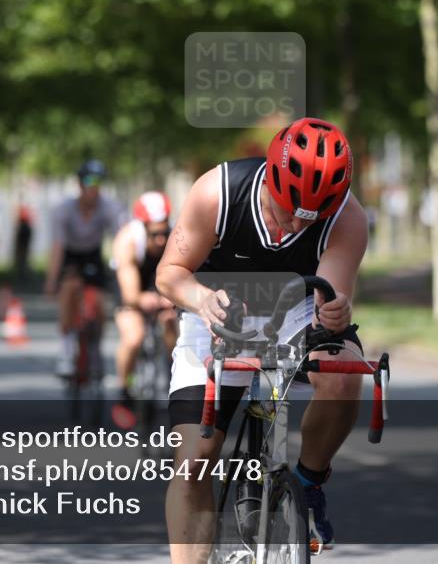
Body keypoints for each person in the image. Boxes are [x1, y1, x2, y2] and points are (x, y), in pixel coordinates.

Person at [155, 118, 368, 561]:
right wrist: (202, 299)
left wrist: (335, 312)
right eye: (288, 210)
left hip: (295, 308)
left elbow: (328, 296)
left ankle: (308, 485)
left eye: (311, 216)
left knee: (343, 375)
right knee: (194, 459)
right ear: (270, 177)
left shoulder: (348, 218)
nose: (296, 224)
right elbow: (170, 274)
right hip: (218, 306)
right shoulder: (216, 193)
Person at [45, 160, 124, 376]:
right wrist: (52, 280)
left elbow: (119, 240)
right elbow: (57, 247)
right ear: (80, 184)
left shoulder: (108, 207)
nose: (94, 187)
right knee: (69, 289)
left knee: (98, 302)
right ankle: (66, 348)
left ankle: (95, 347)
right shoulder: (64, 210)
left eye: (98, 182)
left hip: (93, 254)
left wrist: (122, 270)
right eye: (89, 182)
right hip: (70, 255)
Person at [112, 191, 178, 421]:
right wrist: (142, 300)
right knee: (133, 336)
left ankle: (174, 371)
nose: (160, 240)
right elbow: (130, 294)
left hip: (159, 280)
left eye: (164, 233)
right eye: (154, 234)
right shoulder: (128, 240)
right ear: (143, 227)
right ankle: (124, 389)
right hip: (132, 284)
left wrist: (172, 299)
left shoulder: (176, 236)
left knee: (170, 319)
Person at [14, 204, 34, 284]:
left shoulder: (23, 207)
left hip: (24, 228)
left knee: (23, 256)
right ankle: (22, 273)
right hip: (24, 228)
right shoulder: (24, 207)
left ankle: (23, 274)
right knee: (23, 256)